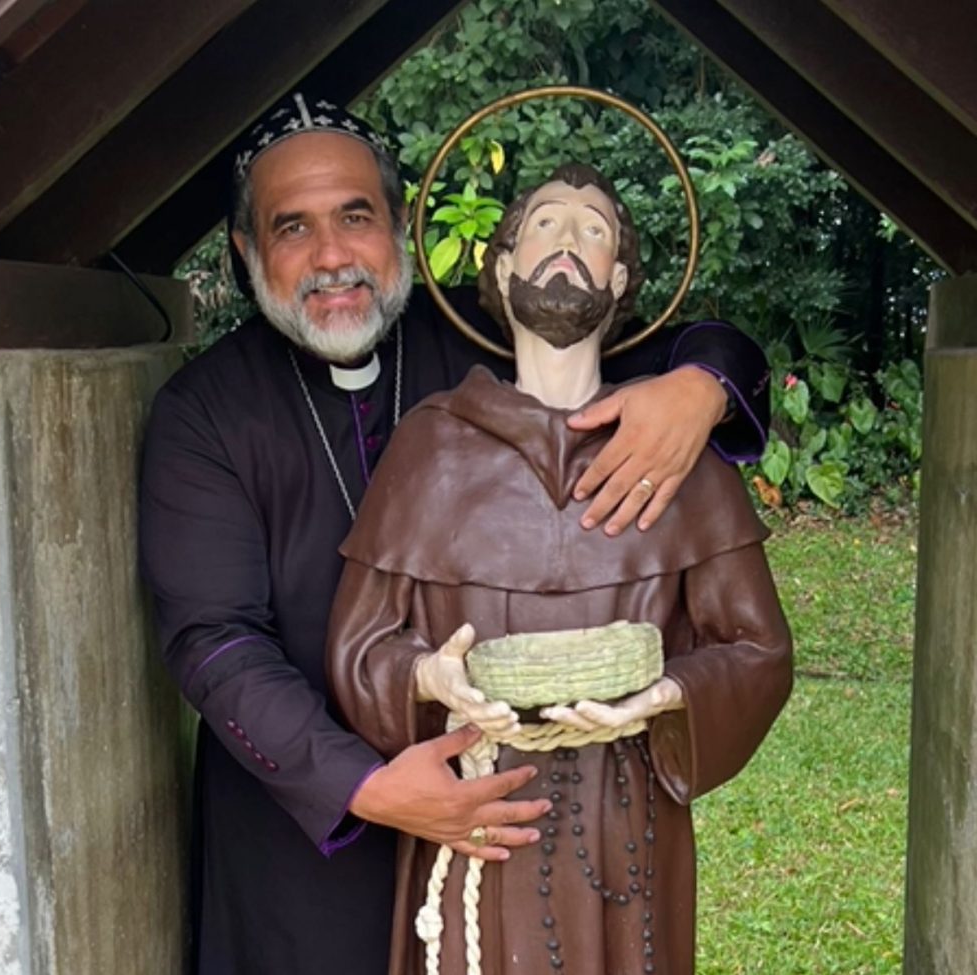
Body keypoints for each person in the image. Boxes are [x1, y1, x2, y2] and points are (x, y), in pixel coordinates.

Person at [138, 94, 772, 975]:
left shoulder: (477, 346)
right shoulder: (205, 412)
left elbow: (664, 341)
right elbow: (214, 641)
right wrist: (363, 785)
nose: (331, 258)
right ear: (248, 252)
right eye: (292, 228)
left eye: (356, 217)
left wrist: (704, 384)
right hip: (306, 835)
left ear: (400, 224)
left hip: (493, 834)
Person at [326, 163, 793, 975]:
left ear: (619, 281)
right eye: (544, 223)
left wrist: (668, 695)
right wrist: (430, 677)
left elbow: (757, 649)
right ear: (504, 270)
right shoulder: (430, 445)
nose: (568, 243)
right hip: (473, 809)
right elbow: (362, 647)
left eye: (594, 229)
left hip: (625, 819)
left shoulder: (677, 456)